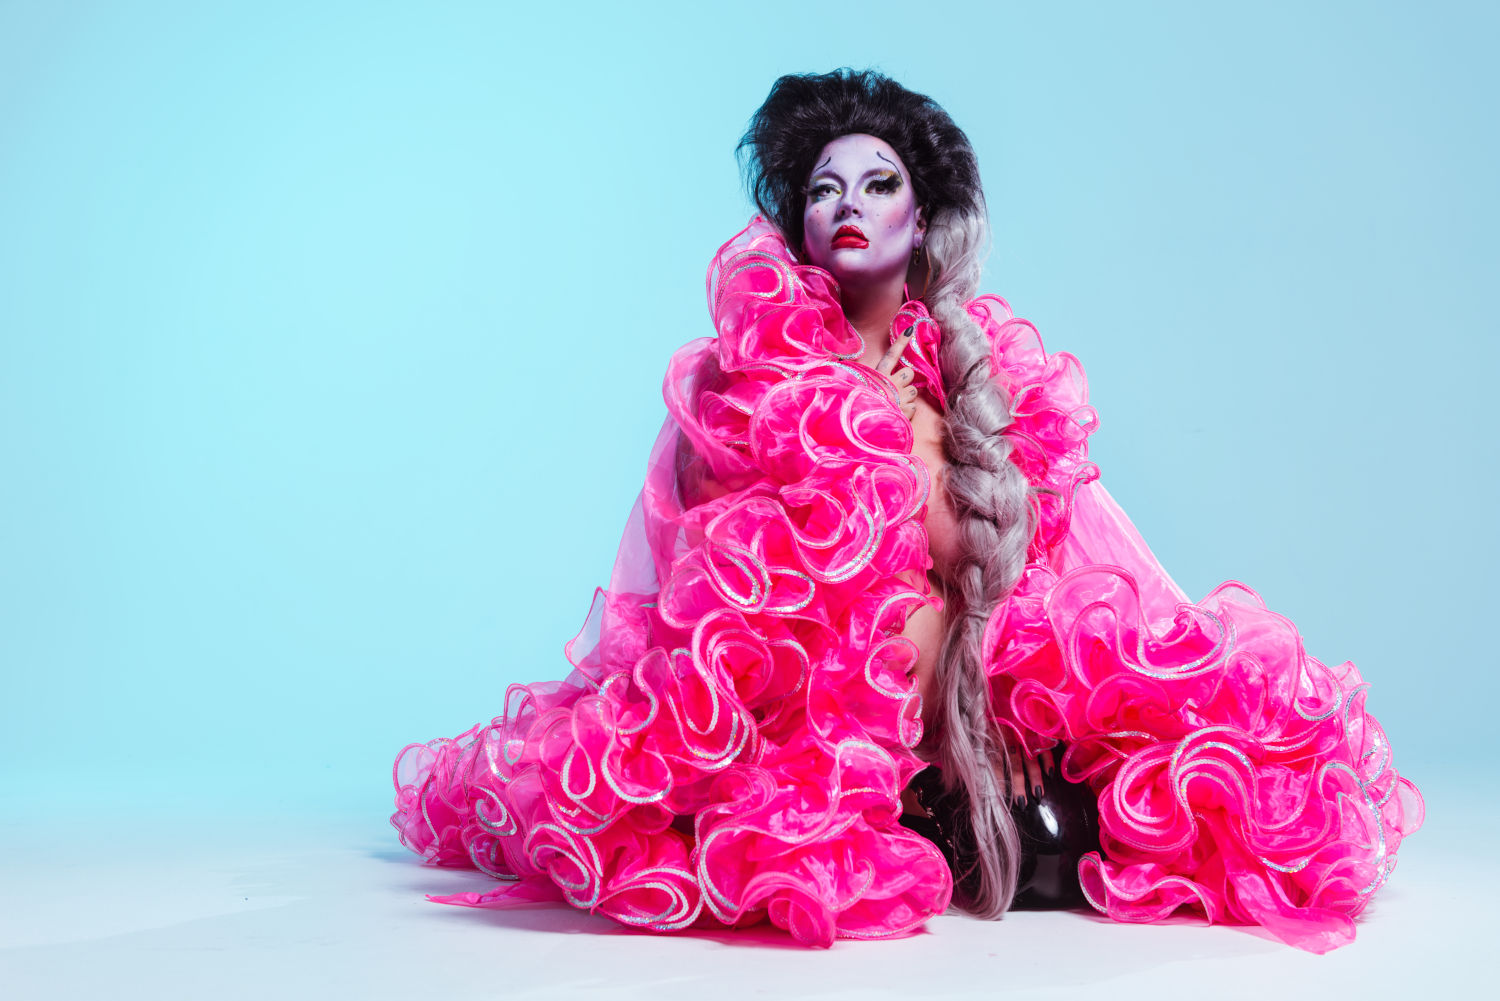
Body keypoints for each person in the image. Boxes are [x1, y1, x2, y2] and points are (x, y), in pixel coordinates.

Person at [390, 70, 1422, 953]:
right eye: (824, 189)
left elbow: (1062, 572)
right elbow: (706, 606)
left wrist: (999, 722)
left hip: (961, 733)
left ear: (919, 219)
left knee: (1081, 846)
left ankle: (963, 794)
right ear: (798, 224)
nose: (848, 202)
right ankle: (892, 811)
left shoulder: (978, 384)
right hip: (823, 747)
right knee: (850, 871)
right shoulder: (754, 389)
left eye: (878, 184)